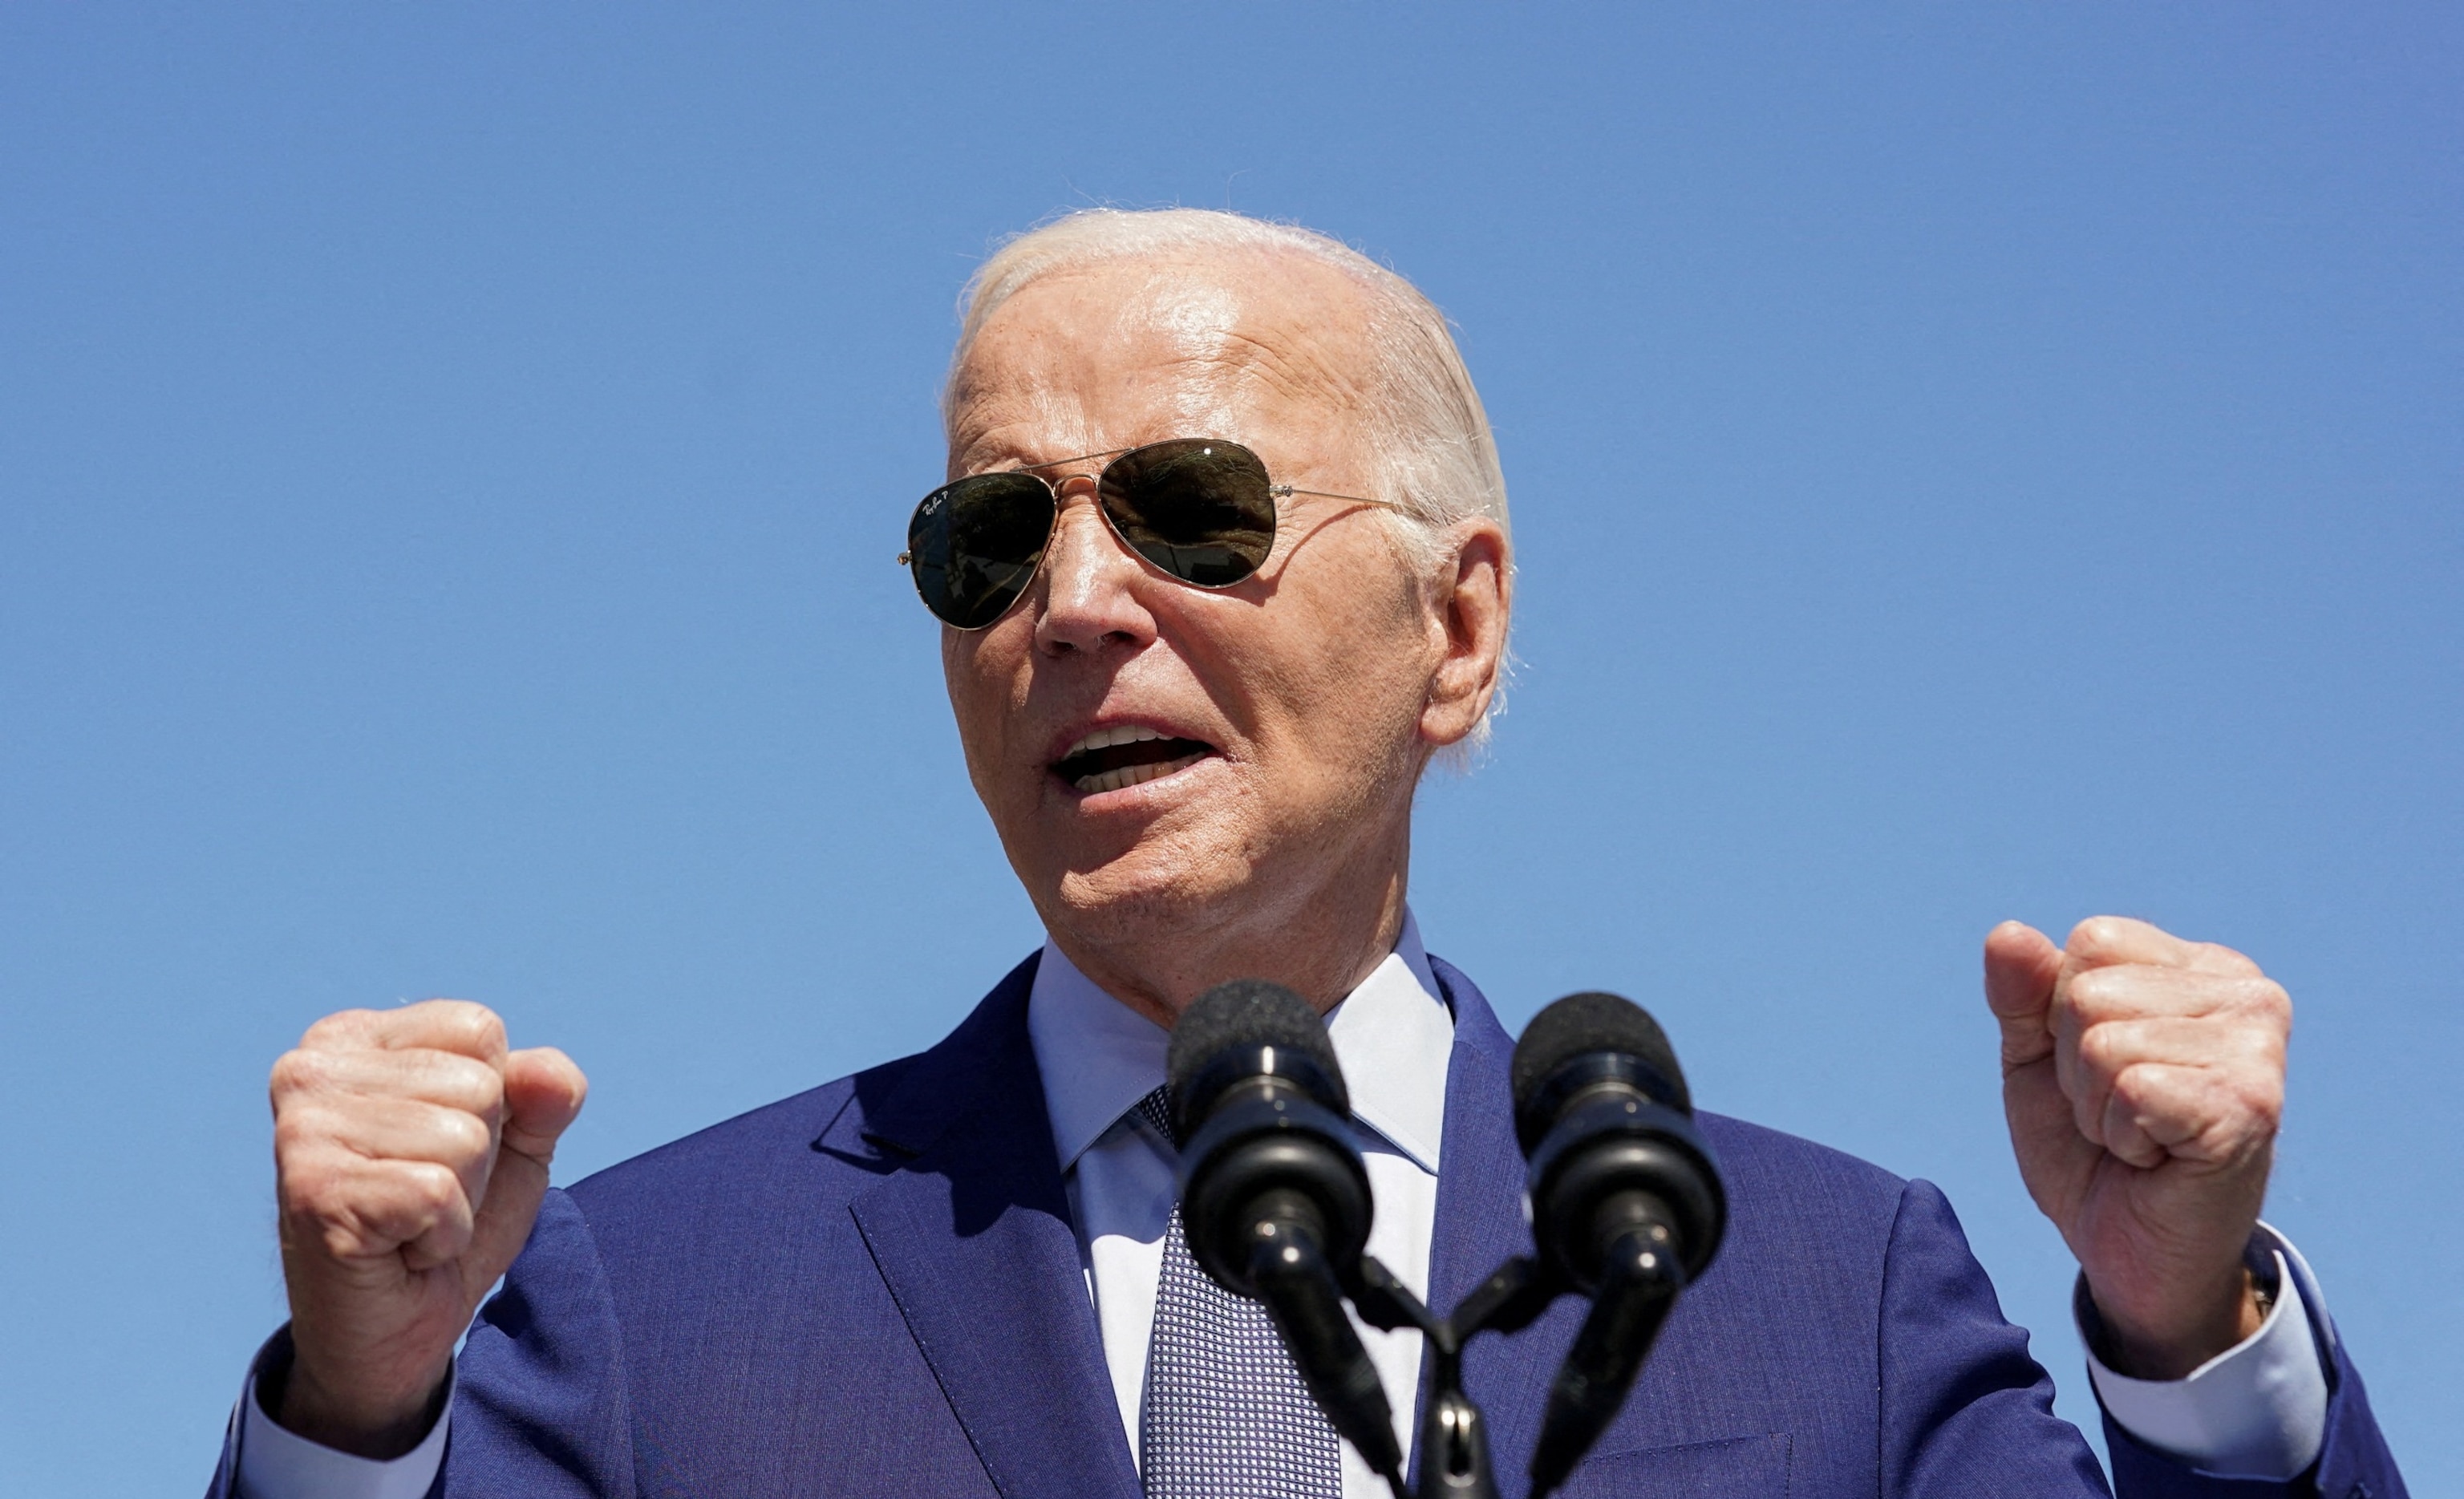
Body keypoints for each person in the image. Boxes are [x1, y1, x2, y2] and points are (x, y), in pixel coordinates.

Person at [208, 209, 2406, 1499]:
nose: (1072, 607)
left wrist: (2186, 1333)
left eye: (1190, 511)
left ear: (1456, 629)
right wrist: (352, 1416)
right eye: (995, 538)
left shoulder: (1823, 1305)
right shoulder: (647, 1305)